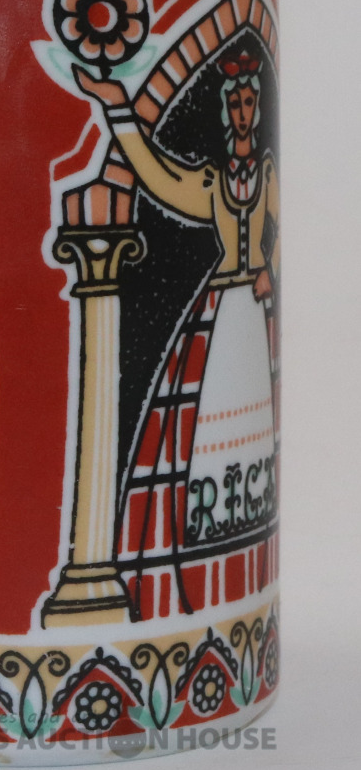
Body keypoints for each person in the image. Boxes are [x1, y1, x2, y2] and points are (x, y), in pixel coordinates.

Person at [74, 51, 279, 570]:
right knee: (198, 421)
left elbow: (273, 231)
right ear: (227, 110)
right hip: (220, 307)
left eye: (249, 102)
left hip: (252, 308)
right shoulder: (211, 181)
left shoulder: (265, 174)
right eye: (235, 103)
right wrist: (119, 110)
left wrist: (268, 267)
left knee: (252, 412)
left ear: (257, 109)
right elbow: (156, 175)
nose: (243, 112)